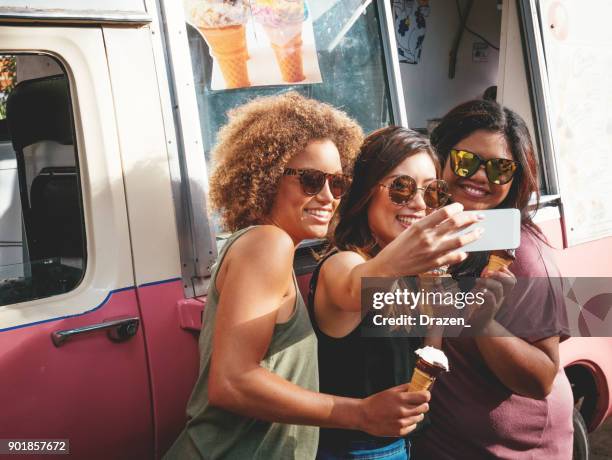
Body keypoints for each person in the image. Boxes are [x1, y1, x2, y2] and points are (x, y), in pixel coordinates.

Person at [164, 93, 437, 460]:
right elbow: (231, 384)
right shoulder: (268, 243)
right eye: (311, 180)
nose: (328, 196)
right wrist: (360, 413)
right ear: (266, 176)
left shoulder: (271, 246)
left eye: (337, 183)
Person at [308, 126, 487, 459]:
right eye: (401, 188)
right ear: (365, 191)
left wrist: (432, 280)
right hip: (352, 450)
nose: (419, 204)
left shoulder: (405, 267)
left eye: (432, 191)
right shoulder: (343, 262)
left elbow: (428, 359)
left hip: (399, 446)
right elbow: (352, 288)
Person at [412, 99, 573, 459]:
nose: (481, 177)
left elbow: (541, 378)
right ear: (439, 156)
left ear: (515, 178)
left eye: (500, 168)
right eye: (466, 161)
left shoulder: (522, 254)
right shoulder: (433, 231)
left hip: (514, 449)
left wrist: (482, 320)